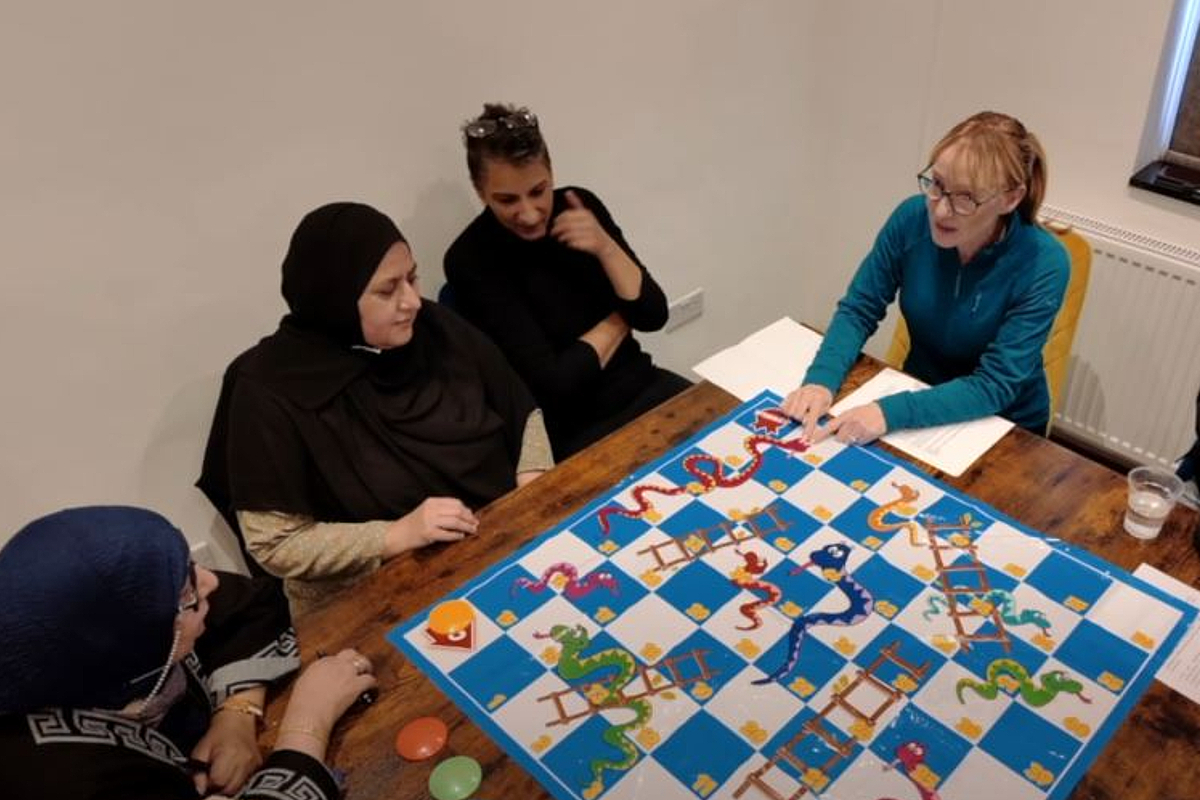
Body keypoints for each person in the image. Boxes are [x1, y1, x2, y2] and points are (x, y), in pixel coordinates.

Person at [199, 202, 552, 612]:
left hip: (497, 546)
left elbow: (518, 407)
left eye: (413, 278)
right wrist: (396, 535)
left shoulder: (433, 329)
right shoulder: (268, 390)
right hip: (375, 594)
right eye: (388, 290)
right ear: (335, 299)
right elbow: (275, 542)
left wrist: (533, 489)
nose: (413, 302)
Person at [0, 506, 377, 800]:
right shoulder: (60, 778)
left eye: (188, 567)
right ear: (119, 643)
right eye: (185, 593)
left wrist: (236, 714)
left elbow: (251, 605)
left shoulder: (125, 626)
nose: (209, 581)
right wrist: (307, 722)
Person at [783, 111, 1069, 443]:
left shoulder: (1044, 262)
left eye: (966, 198)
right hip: (919, 392)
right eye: (937, 184)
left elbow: (996, 384)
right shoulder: (911, 218)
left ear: (1010, 198)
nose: (941, 210)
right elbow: (859, 309)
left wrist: (887, 413)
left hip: (1005, 427)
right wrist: (821, 380)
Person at [443, 103, 691, 458]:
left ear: (552, 174)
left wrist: (606, 247)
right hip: (574, 430)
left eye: (538, 191)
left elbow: (653, 315)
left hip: (645, 386)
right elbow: (554, 386)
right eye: (507, 200)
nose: (528, 214)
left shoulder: (579, 206)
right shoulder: (472, 259)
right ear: (480, 191)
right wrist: (621, 318)